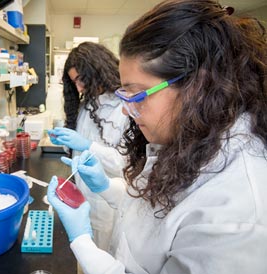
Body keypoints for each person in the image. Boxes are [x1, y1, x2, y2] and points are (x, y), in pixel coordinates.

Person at [47, 0, 267, 273]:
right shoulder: (188, 136)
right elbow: (151, 211)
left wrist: (81, 242)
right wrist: (106, 187)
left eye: (137, 94)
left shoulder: (237, 212)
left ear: (198, 85)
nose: (127, 110)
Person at [47, 42, 129, 251]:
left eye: (81, 79)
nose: (79, 88)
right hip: (82, 195)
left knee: (102, 258)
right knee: (84, 253)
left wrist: (87, 145)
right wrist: (67, 142)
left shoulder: (125, 107)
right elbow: (79, 145)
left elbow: (126, 163)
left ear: (98, 70)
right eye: (74, 82)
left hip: (107, 203)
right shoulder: (87, 105)